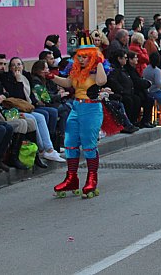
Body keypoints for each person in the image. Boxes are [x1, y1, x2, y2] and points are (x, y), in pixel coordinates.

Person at [49, 33, 109, 198]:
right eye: (79, 56)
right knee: (70, 143)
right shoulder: (75, 70)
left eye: (84, 56)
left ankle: (92, 179)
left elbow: (102, 81)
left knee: (89, 145)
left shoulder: (97, 69)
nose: (81, 59)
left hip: (91, 109)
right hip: (76, 108)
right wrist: (52, 77)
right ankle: (71, 178)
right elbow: (68, 83)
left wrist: (98, 63)